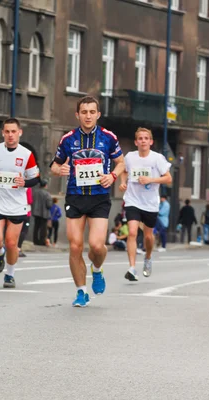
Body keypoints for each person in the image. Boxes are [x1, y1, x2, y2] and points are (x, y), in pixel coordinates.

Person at [50, 96, 125, 307]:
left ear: (98, 114)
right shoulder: (67, 139)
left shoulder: (108, 137)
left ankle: (97, 269)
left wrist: (112, 176)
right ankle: (81, 291)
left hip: (99, 197)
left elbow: (120, 162)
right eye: (84, 112)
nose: (88, 116)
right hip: (75, 196)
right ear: (77, 115)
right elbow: (54, 166)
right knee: (75, 247)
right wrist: (60, 170)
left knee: (96, 245)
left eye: (92, 112)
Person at [0, 118, 40, 288]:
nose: (10, 135)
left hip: (17, 205)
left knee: (12, 243)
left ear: (19, 133)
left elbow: (35, 179)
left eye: (14, 131)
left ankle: (10, 274)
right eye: (7, 132)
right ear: (2, 133)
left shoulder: (26, 154)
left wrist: (23, 183)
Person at [118, 128, 172, 280]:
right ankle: (132, 268)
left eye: (146, 138)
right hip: (132, 200)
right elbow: (124, 171)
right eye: (140, 138)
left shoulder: (157, 158)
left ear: (151, 142)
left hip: (150, 203)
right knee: (133, 232)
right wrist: (123, 182)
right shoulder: (130, 157)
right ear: (136, 142)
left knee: (148, 236)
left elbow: (168, 179)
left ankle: (148, 257)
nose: (143, 141)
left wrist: (151, 180)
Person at [31, 180, 51, 246]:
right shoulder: (47, 194)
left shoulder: (35, 192)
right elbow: (49, 205)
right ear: (45, 185)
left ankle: (35, 241)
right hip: (44, 213)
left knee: (36, 227)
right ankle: (42, 241)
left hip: (36, 213)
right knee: (43, 229)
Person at [17, 188, 33, 257]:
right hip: (25, 211)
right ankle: (18, 248)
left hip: (15, 210)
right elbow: (29, 200)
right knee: (24, 230)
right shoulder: (28, 187)